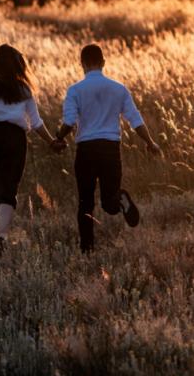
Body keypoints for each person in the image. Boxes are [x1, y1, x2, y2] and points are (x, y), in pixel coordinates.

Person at [52, 43, 161, 253]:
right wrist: (150, 142)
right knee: (109, 204)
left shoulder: (75, 90)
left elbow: (69, 121)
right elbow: (135, 119)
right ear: (103, 63)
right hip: (110, 149)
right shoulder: (118, 88)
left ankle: (87, 249)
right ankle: (121, 198)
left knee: (85, 202)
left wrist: (58, 138)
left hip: (86, 150)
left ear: (81, 64)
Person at [0, 44, 61, 249]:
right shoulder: (24, 89)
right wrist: (51, 141)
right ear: (19, 66)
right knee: (8, 186)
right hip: (15, 140)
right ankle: (3, 234)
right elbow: (36, 122)